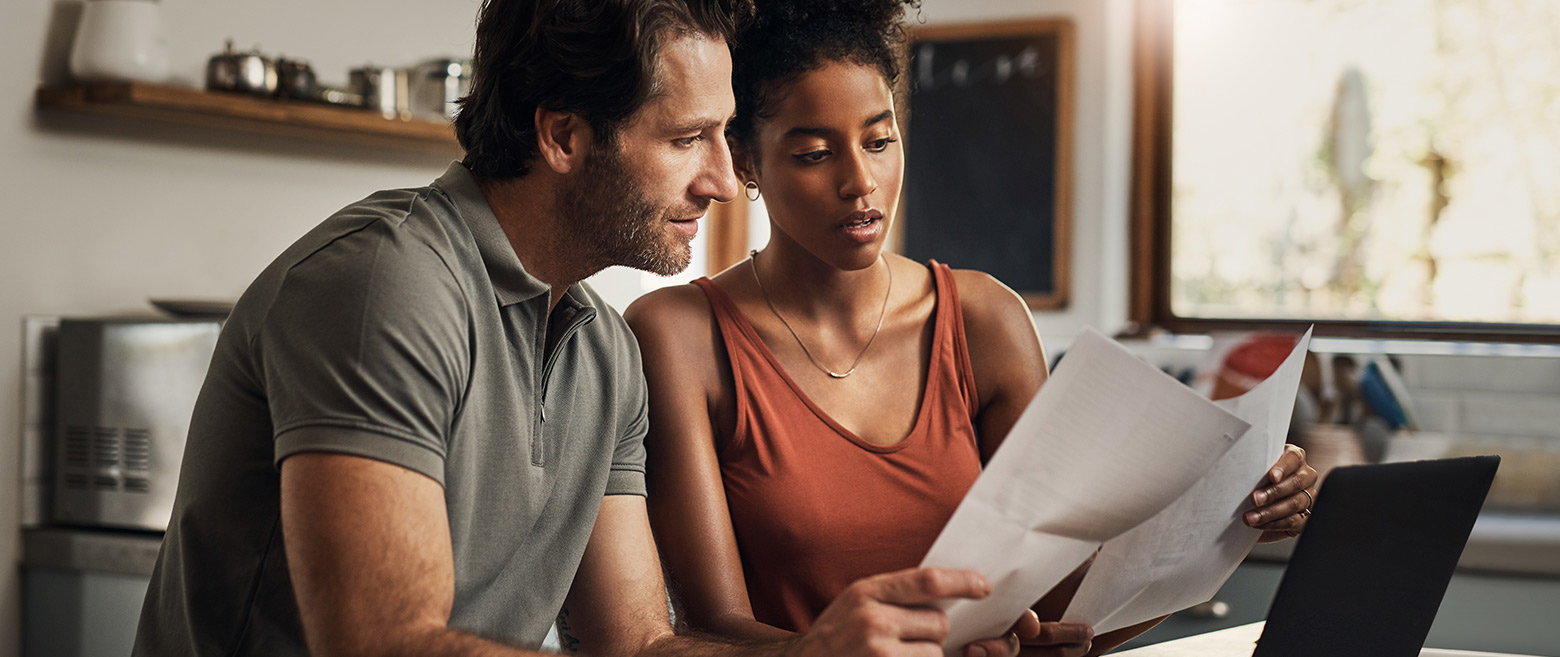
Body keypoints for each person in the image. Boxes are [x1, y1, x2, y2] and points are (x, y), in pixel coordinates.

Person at [131, 1, 1035, 656]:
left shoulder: (602, 348)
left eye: (726, 138)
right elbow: (383, 645)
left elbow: (637, 644)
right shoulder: (386, 285)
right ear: (563, 135)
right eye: (688, 140)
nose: (725, 180)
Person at [623, 1, 1320, 655]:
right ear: (743, 159)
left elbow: (1065, 617)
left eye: (879, 139)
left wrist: (1230, 520)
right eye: (813, 153)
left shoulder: (984, 319)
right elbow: (715, 629)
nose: (860, 181)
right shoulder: (681, 335)